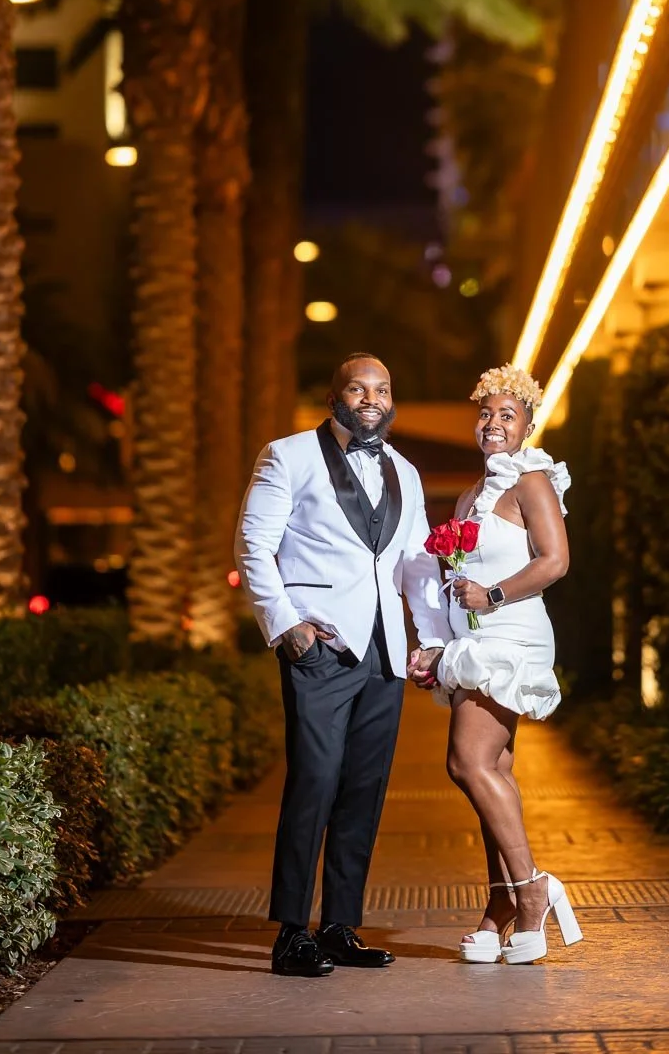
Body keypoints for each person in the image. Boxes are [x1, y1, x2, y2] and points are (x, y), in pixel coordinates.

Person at [236, 351, 451, 979]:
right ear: (335, 397)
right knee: (314, 783)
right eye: (358, 388)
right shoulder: (289, 455)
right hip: (321, 650)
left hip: (384, 653)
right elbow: (255, 545)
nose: (371, 399)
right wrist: (287, 628)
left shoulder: (406, 473)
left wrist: (429, 639)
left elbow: (416, 563)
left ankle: (338, 927)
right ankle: (289, 934)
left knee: (363, 791)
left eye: (382, 389)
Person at [411, 363, 582, 965]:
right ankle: (501, 901)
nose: (493, 424)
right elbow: (459, 578)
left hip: (511, 633)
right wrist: (438, 645)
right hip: (475, 640)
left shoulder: (531, 480)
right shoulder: (470, 495)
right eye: (485, 413)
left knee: (467, 762)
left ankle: (530, 888)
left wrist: (492, 596)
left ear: (528, 425)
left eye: (507, 415)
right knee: (492, 775)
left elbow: (554, 560)